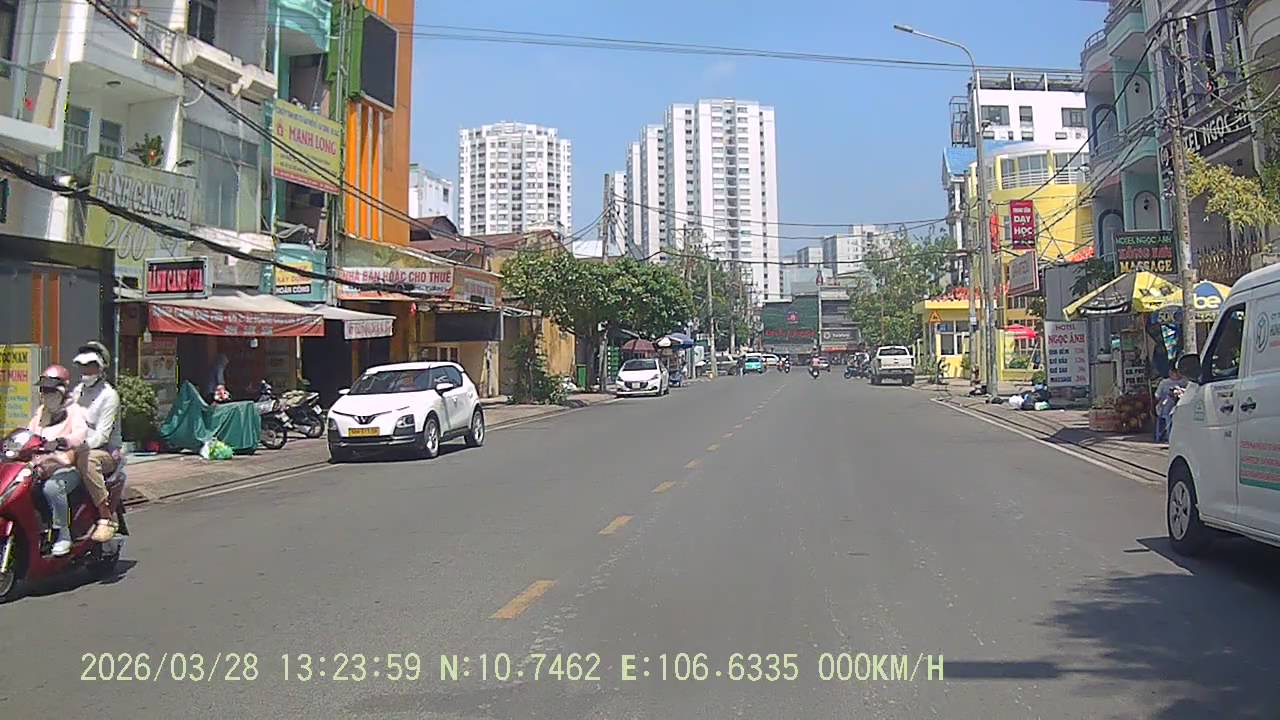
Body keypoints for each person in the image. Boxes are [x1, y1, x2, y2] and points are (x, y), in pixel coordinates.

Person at [29, 365, 87, 557]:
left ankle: (63, 534)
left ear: (62, 390)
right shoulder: (41, 412)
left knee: (52, 488)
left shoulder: (73, 410)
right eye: (44, 390)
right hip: (40, 466)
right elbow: (29, 433)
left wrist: (63, 441)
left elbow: (80, 434)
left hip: (66, 466)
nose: (47, 395)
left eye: (51, 390)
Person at [72, 342, 122, 542]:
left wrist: (77, 446)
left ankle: (105, 516)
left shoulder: (109, 396)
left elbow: (102, 436)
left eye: (91, 365)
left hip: (105, 452)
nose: (86, 370)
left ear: (101, 368)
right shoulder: (77, 391)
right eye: (82, 366)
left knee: (88, 461)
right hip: (75, 447)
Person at [1155, 367, 1188, 443]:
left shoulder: (1185, 381)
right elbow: (1157, 395)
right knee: (1169, 410)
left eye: (1177, 373)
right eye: (1173, 373)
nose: (1176, 375)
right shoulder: (1164, 382)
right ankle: (1170, 435)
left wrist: (1181, 391)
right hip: (1167, 404)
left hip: (1182, 402)